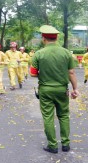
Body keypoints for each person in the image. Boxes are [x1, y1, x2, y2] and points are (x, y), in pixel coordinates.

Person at [30, 25, 79, 154]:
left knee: (48, 117)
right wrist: (75, 89)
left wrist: (45, 74)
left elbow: (33, 73)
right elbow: (71, 72)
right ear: (56, 38)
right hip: (62, 90)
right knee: (63, 116)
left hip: (45, 90)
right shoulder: (66, 53)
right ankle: (66, 144)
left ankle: (52, 145)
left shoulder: (38, 54)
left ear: (43, 38)